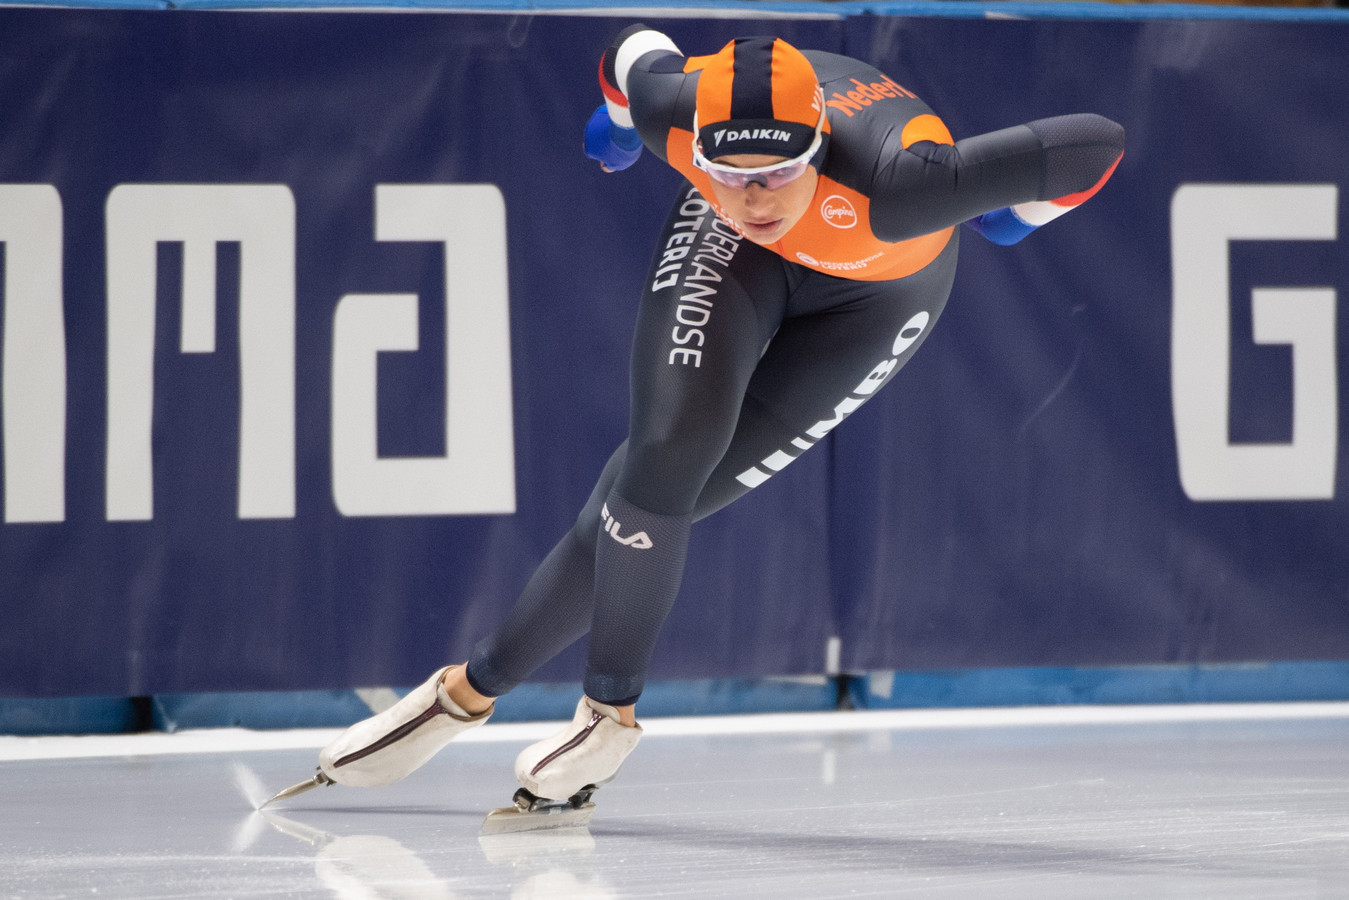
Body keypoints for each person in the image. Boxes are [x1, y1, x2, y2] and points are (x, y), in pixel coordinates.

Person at [309, 26, 1124, 813]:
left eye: (775, 172)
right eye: (725, 170)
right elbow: (628, 49)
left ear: (817, 150)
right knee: (661, 461)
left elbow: (1096, 143)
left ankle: (479, 696)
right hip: (728, 258)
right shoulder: (678, 113)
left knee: (653, 507)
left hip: (876, 295)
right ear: (695, 144)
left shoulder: (906, 185)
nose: (752, 196)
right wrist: (627, 123)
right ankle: (576, 714)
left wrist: (1023, 215)